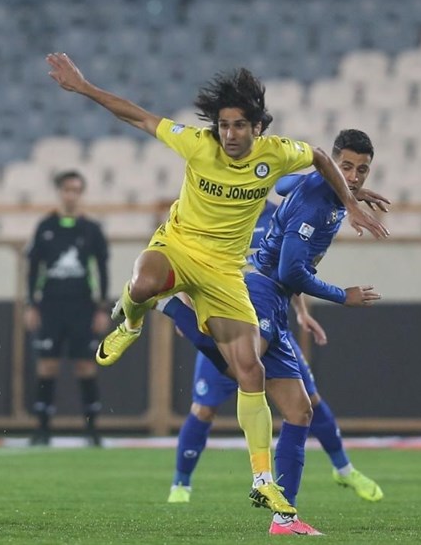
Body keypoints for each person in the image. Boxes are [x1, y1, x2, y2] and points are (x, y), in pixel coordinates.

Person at [47, 52, 388, 514]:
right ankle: (131, 323)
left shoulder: (276, 154)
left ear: (257, 128)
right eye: (224, 125)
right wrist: (84, 87)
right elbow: (138, 116)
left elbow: (320, 158)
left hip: (226, 271)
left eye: (239, 126)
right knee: (144, 283)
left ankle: (263, 481)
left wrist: (349, 200)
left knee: (250, 370)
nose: (229, 134)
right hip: (179, 245)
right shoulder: (197, 143)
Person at [160, 129, 385, 535]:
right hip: (260, 290)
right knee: (239, 370)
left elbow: (282, 184)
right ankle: (172, 307)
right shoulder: (316, 207)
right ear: (332, 162)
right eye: (345, 167)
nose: (353, 176)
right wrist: (343, 295)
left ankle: (285, 519)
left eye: (361, 170)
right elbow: (291, 271)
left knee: (300, 409)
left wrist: (346, 190)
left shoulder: (321, 186)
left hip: (276, 301)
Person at [24, 170, 111, 446]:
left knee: (86, 366)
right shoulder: (45, 227)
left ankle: (92, 430)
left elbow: (102, 269)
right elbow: (33, 268)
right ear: (59, 192)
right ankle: (42, 430)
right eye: (67, 190)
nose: (71, 195)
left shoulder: (91, 229)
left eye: (76, 190)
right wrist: (31, 304)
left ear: (81, 193)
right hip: (50, 305)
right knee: (47, 365)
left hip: (82, 306)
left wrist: (101, 308)